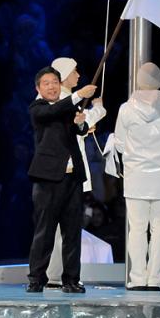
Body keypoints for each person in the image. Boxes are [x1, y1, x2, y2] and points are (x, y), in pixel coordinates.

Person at [26, 66, 96, 293]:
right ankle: (36, 279)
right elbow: (52, 113)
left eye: (55, 82)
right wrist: (78, 95)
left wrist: (81, 123)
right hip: (48, 179)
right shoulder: (38, 108)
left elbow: (79, 130)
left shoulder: (67, 107)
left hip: (72, 178)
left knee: (72, 232)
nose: (52, 86)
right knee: (44, 231)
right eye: (46, 83)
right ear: (38, 88)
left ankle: (72, 280)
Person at [114, 62, 160, 291]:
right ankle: (155, 279)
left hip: (136, 175)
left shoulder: (126, 108)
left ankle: (137, 279)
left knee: (137, 228)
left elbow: (121, 143)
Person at [45, 57, 107, 287]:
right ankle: (54, 276)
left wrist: (87, 119)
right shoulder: (57, 100)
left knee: (66, 228)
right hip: (62, 172)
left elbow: (77, 128)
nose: (79, 75)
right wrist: (97, 110)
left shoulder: (65, 101)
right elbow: (72, 127)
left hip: (70, 171)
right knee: (61, 227)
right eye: (75, 71)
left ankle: (59, 276)